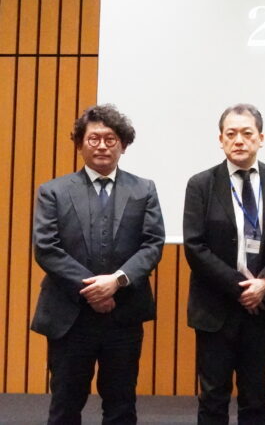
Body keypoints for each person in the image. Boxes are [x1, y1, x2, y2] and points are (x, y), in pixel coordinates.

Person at [31, 104, 165, 424]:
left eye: (110, 139)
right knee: (65, 405)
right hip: (70, 316)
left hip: (123, 314)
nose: (102, 145)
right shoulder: (53, 191)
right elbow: (46, 248)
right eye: (93, 139)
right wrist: (94, 289)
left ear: (123, 145)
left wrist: (115, 282)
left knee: (121, 406)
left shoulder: (144, 189)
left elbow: (152, 244)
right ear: (80, 144)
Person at [182, 103, 265, 425]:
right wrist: (241, 288)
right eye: (231, 134)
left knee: (255, 400)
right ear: (220, 140)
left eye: (247, 133)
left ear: (261, 138)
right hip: (215, 309)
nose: (239, 140)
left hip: (262, 307)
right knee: (213, 399)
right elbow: (194, 246)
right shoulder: (201, 184)